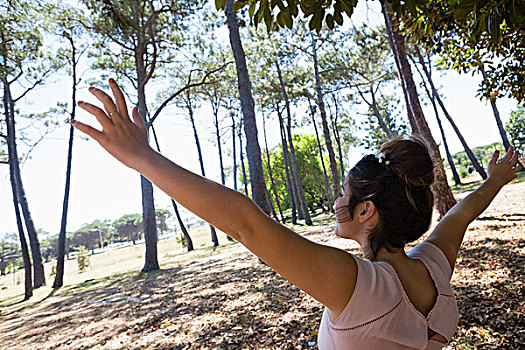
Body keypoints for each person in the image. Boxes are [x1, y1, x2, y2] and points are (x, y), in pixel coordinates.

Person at [72, 80, 523, 349]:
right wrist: (497, 180)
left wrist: (141, 158)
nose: (335, 203)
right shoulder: (434, 266)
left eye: (343, 194)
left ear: (366, 210)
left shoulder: (356, 285)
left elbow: (245, 224)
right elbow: (463, 212)